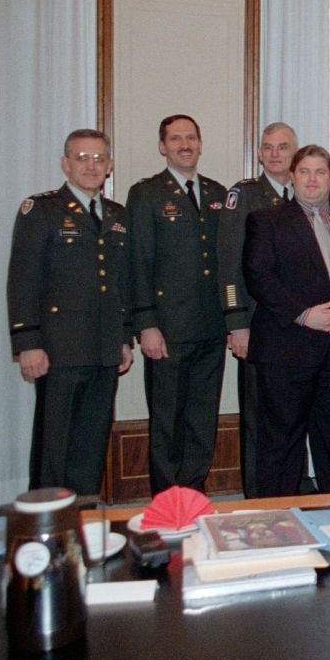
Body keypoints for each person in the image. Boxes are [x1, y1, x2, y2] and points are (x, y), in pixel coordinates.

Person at [243, 145, 330, 496]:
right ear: (292, 177)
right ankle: (276, 522)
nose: (312, 179)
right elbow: (259, 276)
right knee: (281, 444)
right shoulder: (265, 220)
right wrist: (304, 315)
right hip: (287, 349)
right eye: (305, 171)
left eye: (320, 171)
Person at [7, 129, 134, 495]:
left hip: (104, 350)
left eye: (98, 159)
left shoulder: (117, 215)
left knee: (91, 446)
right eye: (82, 158)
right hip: (58, 350)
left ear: (109, 166)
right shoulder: (41, 210)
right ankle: (46, 533)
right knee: (54, 450)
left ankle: (85, 526)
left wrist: (124, 338)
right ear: (66, 164)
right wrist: (27, 342)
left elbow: (120, 284)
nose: (91, 166)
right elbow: (23, 279)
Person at [127, 114, 227, 494]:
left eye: (191, 137)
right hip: (167, 328)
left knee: (202, 418)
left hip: (210, 325)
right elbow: (138, 262)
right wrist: (146, 324)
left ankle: (194, 493)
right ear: (162, 146)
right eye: (176, 138)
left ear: (200, 144)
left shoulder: (217, 194)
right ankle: (167, 500)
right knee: (167, 420)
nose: (185, 144)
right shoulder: (147, 193)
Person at [218, 121, 297, 498]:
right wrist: (237, 323)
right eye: (269, 147)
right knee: (257, 417)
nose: (275, 153)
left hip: (297, 329)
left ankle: (289, 492)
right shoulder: (244, 195)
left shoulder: (306, 193)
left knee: (291, 417)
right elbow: (229, 261)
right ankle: (257, 497)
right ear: (260, 153)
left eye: (283, 147)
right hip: (256, 324)